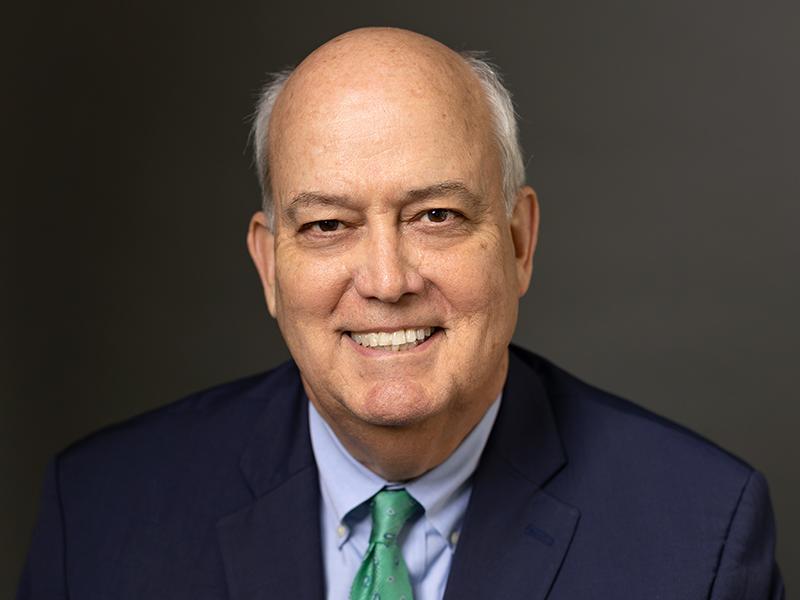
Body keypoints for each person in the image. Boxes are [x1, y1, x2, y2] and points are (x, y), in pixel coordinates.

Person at [18, 27, 783, 600]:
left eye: (437, 216)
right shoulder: (96, 519)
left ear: (519, 242)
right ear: (268, 266)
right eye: (327, 226)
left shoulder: (699, 535)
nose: (386, 280)